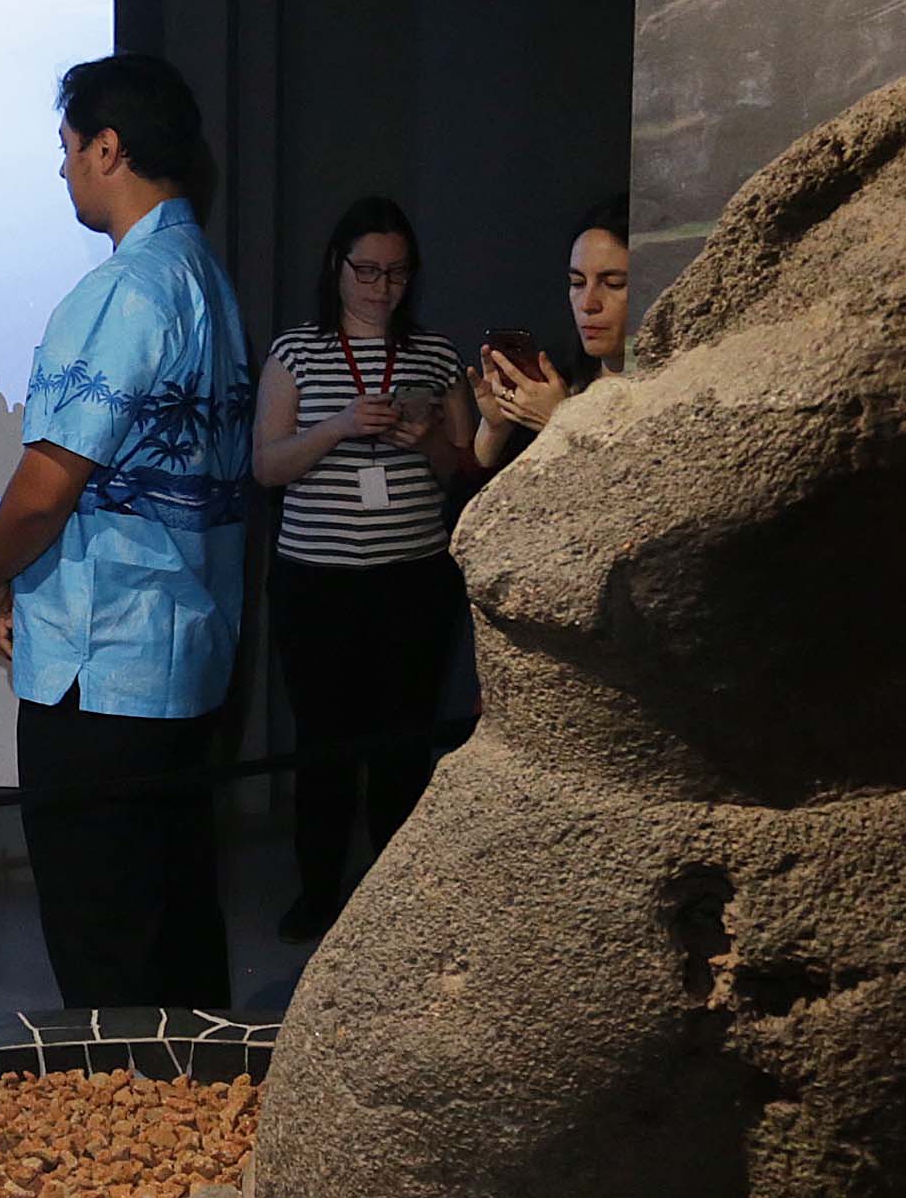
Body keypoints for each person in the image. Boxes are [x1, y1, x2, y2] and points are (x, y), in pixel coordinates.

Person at [0, 55, 252, 1012]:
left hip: (103, 671)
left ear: (107, 148)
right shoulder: (206, 280)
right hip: (185, 659)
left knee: (107, 958)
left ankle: (129, 1112)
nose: (62, 170)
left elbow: (44, 490)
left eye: (66, 148)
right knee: (177, 931)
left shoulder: (124, 292)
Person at [253, 196, 473, 942]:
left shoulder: (435, 354)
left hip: (412, 579)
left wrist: (426, 440)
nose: (382, 288)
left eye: (397, 273)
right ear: (338, 267)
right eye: (368, 271)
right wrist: (341, 426)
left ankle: (394, 901)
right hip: (317, 580)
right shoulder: (298, 351)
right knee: (324, 744)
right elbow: (267, 465)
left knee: (403, 743)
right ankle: (318, 892)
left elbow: (461, 470)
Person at [473, 197, 634, 472]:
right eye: (577, 283)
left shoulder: (664, 389)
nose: (588, 303)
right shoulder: (557, 378)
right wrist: (495, 428)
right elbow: (485, 482)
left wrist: (561, 420)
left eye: (613, 284)